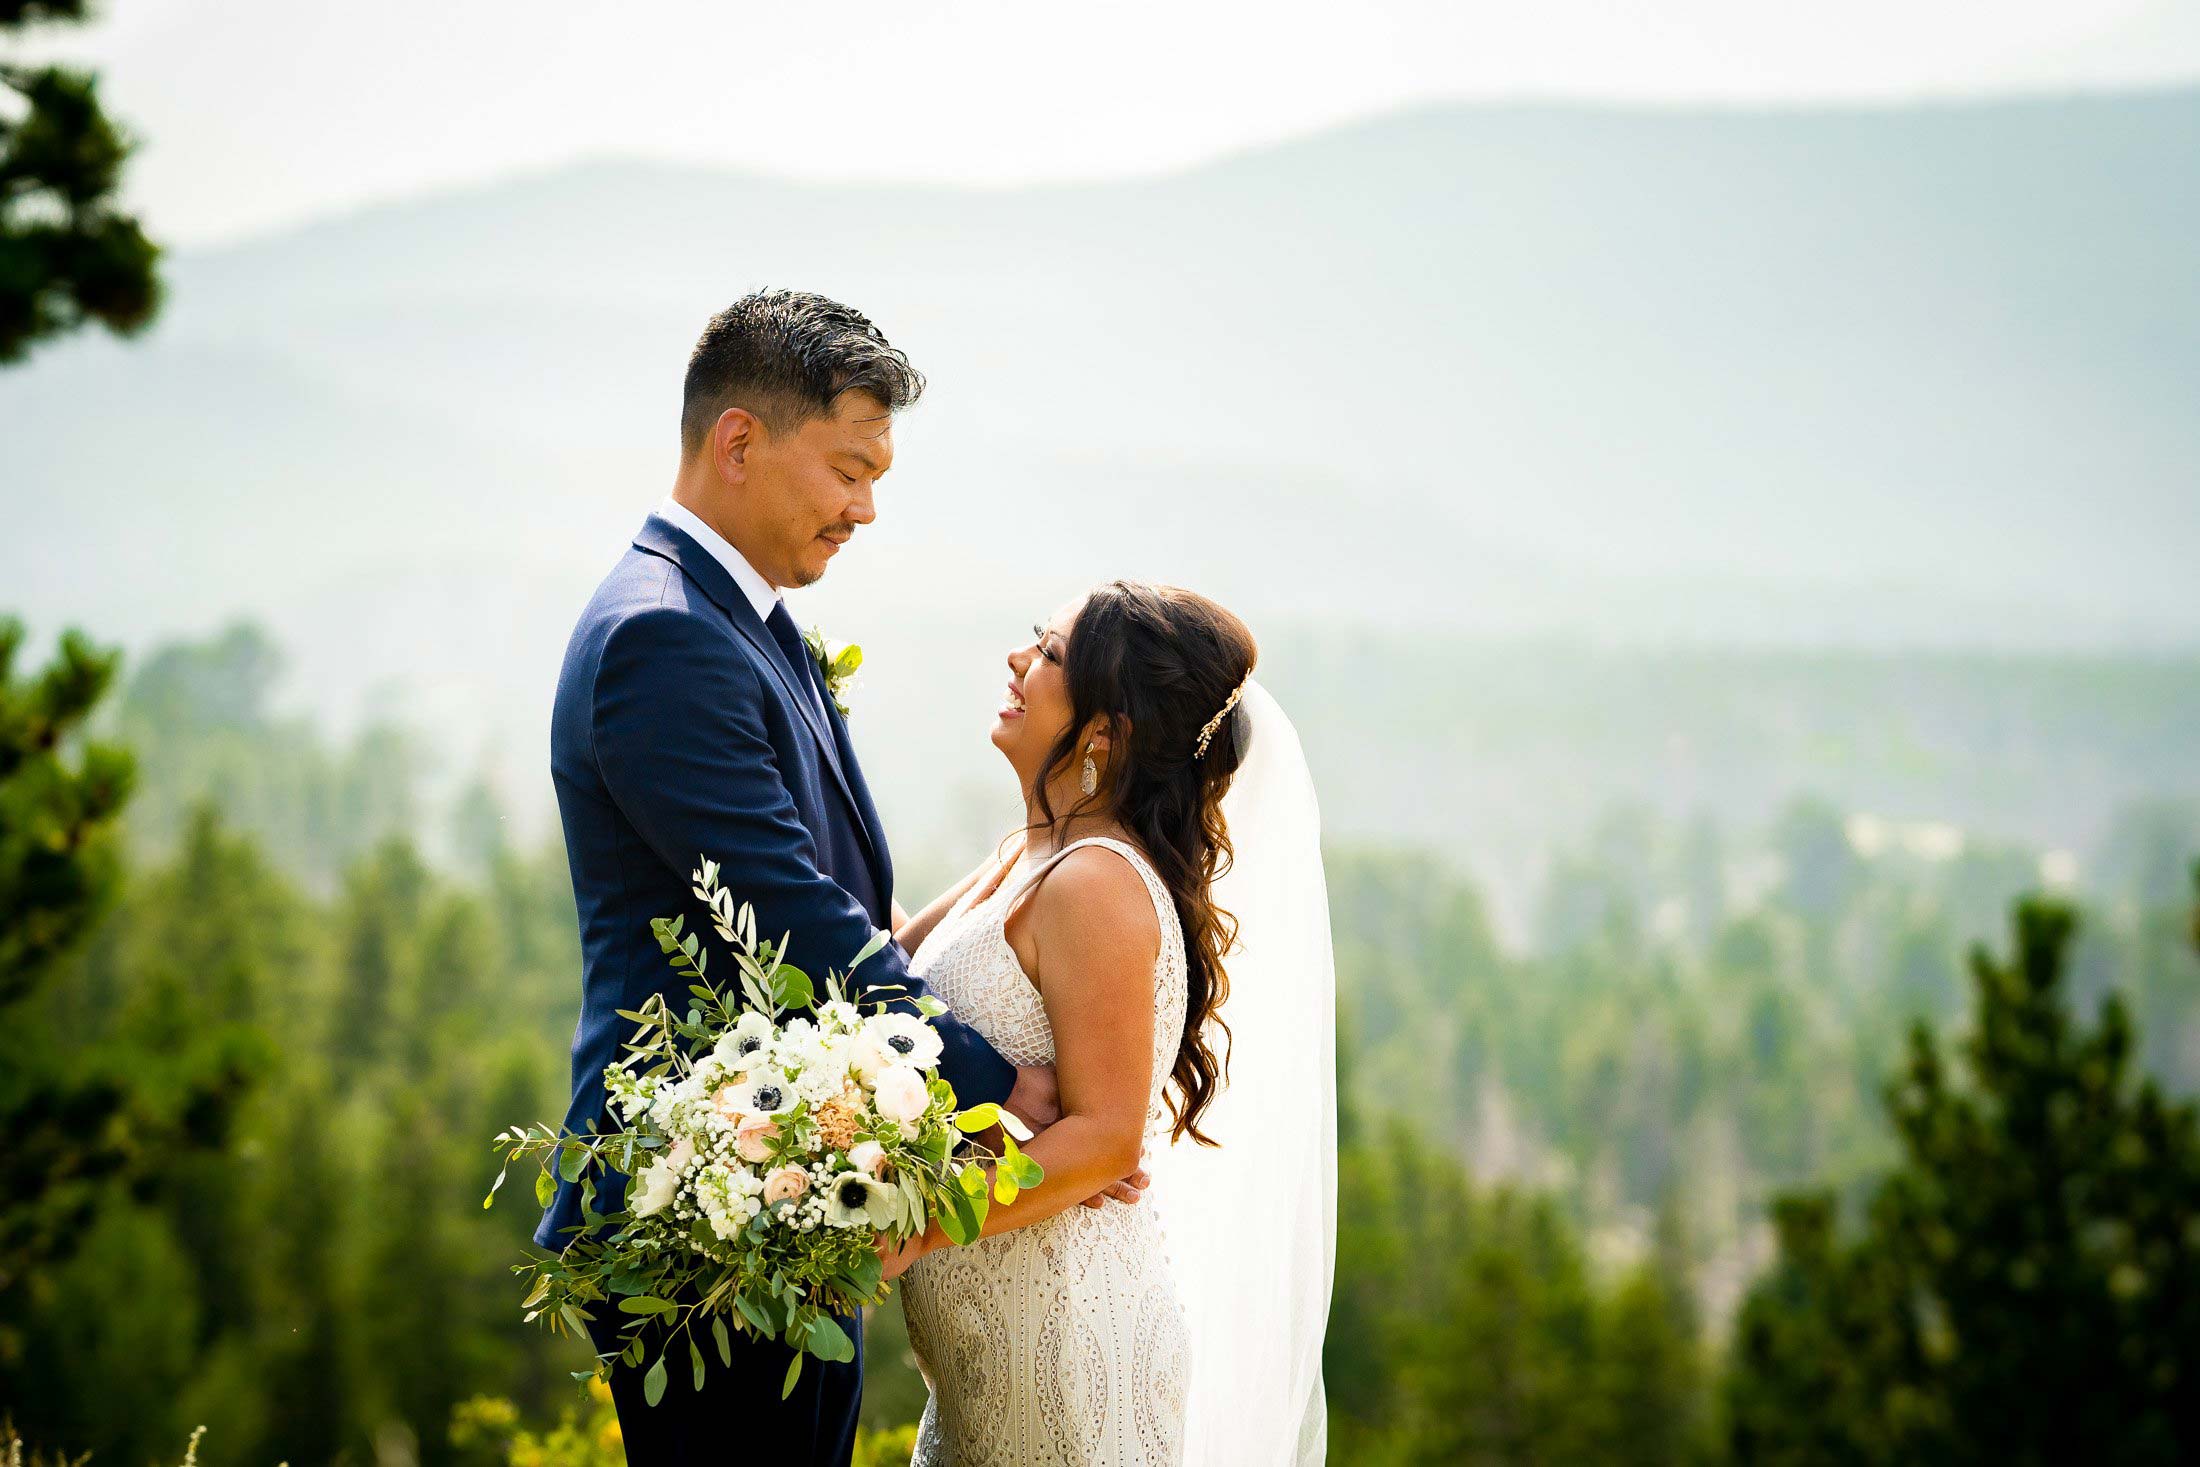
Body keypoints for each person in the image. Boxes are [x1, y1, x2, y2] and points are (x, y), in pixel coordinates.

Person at [540, 290, 1145, 1465]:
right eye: (848, 472)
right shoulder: (663, 637)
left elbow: (843, 899)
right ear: (737, 442)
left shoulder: (737, 617)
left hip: (785, 1193)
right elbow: (785, 916)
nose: (865, 510)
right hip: (704, 1224)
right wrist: (990, 1085)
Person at [885, 582, 1337, 1466]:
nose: (1019, 663)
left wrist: (912, 1227)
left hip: (1064, 1345)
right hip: (984, 1354)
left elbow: (1105, 1140)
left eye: (1049, 655)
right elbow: (888, 971)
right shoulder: (1030, 848)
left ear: (1105, 732)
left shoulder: (1097, 882)